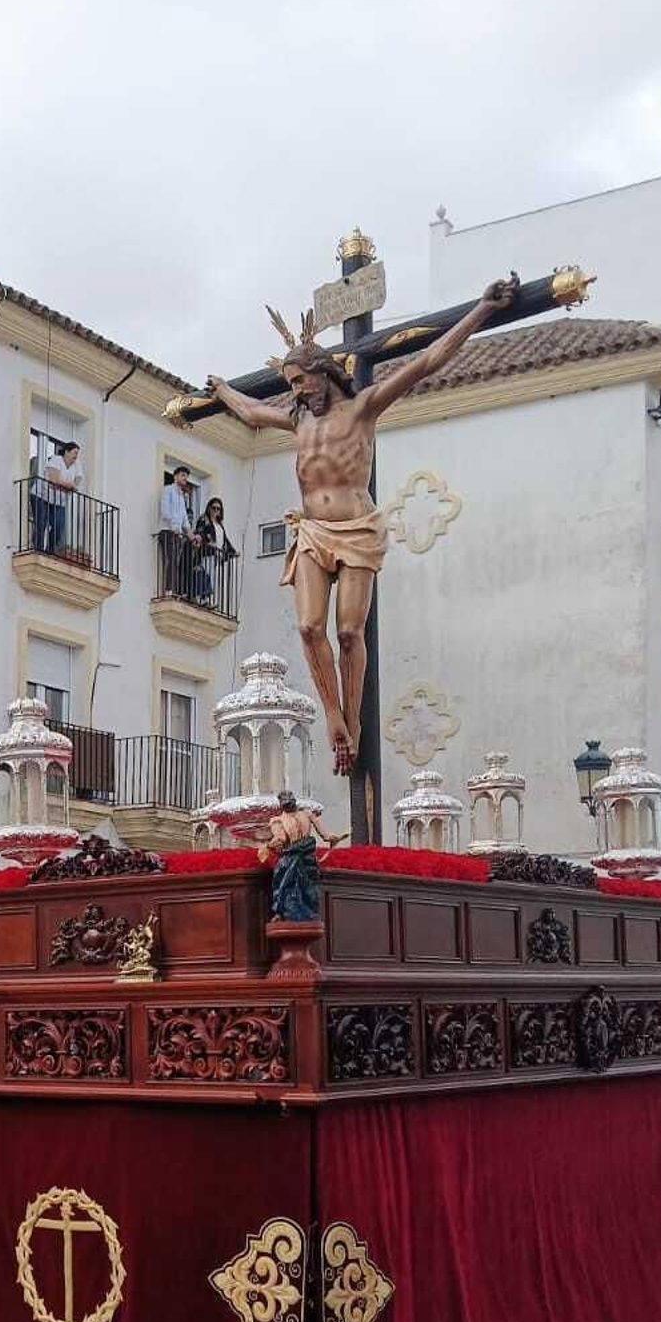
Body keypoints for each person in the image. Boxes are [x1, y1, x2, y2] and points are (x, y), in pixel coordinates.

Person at [184, 277, 517, 774]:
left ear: (325, 373)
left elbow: (427, 362)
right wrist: (224, 390)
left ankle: (353, 722)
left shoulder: (362, 408)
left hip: (357, 529)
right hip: (313, 532)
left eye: (302, 381)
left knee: (347, 632)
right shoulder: (299, 421)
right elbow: (254, 413)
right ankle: (334, 716)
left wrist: (480, 312)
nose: (296, 390)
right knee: (307, 625)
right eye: (291, 383)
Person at [258, 790, 341, 922]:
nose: (288, 805)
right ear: (281, 805)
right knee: (283, 877)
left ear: (294, 801)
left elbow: (325, 834)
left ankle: (309, 912)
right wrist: (271, 844)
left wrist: (333, 837)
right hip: (290, 855)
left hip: (307, 856)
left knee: (308, 888)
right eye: (285, 803)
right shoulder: (277, 821)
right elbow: (281, 838)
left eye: (290, 802)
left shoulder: (307, 813)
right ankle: (281, 911)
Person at [31, 438, 83, 557]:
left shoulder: (76, 465)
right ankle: (38, 549)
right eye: (75, 452)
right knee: (41, 523)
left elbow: (76, 485)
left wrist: (63, 485)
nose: (76, 456)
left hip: (58, 501)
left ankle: (50, 550)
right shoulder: (56, 459)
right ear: (66, 451)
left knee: (59, 526)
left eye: (77, 453)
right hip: (41, 496)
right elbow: (54, 480)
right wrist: (67, 485)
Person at [157, 464, 197, 599]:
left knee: (177, 562)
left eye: (187, 476)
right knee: (172, 560)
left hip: (177, 535)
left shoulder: (182, 497)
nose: (185, 478)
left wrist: (192, 537)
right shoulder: (168, 490)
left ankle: (175, 590)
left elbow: (185, 521)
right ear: (175, 476)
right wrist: (174, 526)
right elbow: (165, 511)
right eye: (183, 475)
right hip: (167, 532)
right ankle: (169, 591)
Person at [194, 495, 236, 607]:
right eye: (214, 508)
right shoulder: (204, 519)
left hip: (216, 554)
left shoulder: (219, 524)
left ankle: (206, 598)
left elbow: (224, 540)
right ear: (209, 508)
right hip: (206, 552)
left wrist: (232, 551)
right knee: (205, 574)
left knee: (210, 576)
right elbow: (199, 532)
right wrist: (208, 541)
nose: (216, 510)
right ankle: (202, 598)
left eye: (218, 508)